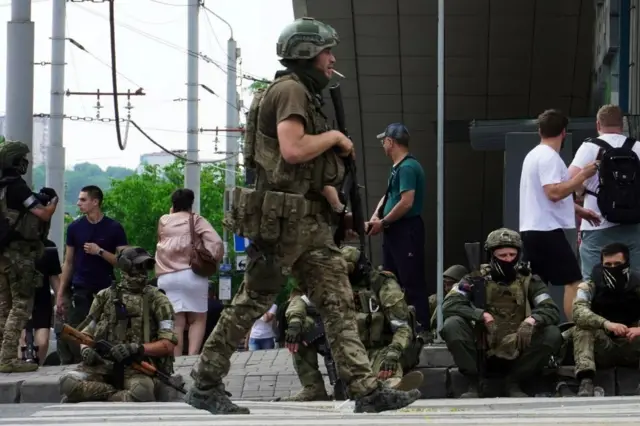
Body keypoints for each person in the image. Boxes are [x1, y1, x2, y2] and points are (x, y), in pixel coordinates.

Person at [186, 17, 421, 415]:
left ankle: (366, 390)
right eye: (327, 51)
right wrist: (336, 138)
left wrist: (338, 209)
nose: (332, 59)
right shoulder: (291, 91)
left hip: (306, 222)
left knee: (338, 301)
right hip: (283, 224)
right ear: (307, 53)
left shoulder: (302, 94)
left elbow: (308, 172)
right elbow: (293, 150)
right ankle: (205, 384)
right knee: (253, 301)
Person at [281, 246, 424, 401]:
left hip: (380, 348)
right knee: (302, 327)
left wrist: (394, 352)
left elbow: (402, 328)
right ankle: (313, 388)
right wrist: (295, 322)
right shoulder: (333, 283)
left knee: (386, 370)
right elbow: (299, 301)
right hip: (348, 347)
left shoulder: (383, 285)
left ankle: (392, 387)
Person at [440, 228, 562, 398]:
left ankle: (514, 381)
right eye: (502, 256)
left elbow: (551, 309)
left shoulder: (529, 280)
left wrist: (533, 320)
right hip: (484, 343)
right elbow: (449, 305)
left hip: (518, 342)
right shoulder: (473, 279)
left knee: (552, 333)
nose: (508, 260)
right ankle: (474, 383)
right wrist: (480, 315)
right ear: (492, 255)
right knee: (452, 324)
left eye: (512, 255)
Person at [59, 246, 178, 402]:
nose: (142, 271)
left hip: (138, 368)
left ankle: (98, 397)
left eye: (146, 266)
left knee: (142, 391)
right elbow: (86, 333)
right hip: (102, 366)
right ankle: (114, 395)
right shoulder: (105, 296)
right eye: (138, 266)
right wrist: (86, 349)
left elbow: (167, 344)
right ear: (125, 266)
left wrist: (137, 348)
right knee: (67, 382)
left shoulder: (158, 300)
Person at [518, 109, 599, 321]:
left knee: (536, 284)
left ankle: (533, 324)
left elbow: (545, 196)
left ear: (539, 130)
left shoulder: (533, 155)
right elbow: (553, 192)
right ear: (564, 132)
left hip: (532, 228)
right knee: (574, 281)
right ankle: (574, 329)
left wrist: (581, 211)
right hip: (547, 230)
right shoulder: (549, 157)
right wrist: (582, 175)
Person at [0, 140, 58, 373]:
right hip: (18, 254)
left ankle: (2, 355)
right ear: (16, 161)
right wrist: (52, 203)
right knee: (22, 305)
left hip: (1, 253)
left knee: (4, 306)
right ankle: (7, 358)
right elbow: (41, 214)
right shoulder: (17, 186)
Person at [365, 123, 428, 332]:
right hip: (394, 230)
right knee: (391, 279)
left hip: (406, 230)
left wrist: (383, 222)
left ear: (391, 142)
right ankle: (399, 327)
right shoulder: (398, 168)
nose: (383, 145)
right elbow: (388, 196)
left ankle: (420, 328)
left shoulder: (408, 167)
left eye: (384, 141)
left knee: (411, 281)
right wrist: (376, 216)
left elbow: (406, 202)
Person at [56, 185, 128, 364]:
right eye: (79, 199)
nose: (78, 203)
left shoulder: (114, 228)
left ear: (95, 202)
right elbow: (68, 262)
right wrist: (60, 293)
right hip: (81, 288)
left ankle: (105, 363)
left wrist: (100, 251)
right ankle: (71, 363)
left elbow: (124, 262)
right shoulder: (75, 228)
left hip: (106, 288)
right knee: (71, 329)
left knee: (107, 330)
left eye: (83, 199)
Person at [569, 105, 640, 281]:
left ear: (598, 124)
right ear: (622, 124)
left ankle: (592, 309)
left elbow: (568, 181)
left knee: (591, 281)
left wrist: (581, 190)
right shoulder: (637, 147)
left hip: (597, 224)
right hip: (633, 224)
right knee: (635, 280)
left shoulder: (590, 147)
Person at [155, 188, 223, 356]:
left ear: (173, 204)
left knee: (176, 321)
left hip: (166, 276)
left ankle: (176, 359)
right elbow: (217, 243)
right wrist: (213, 260)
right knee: (197, 318)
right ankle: (192, 357)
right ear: (191, 203)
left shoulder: (164, 220)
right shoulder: (195, 219)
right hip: (191, 274)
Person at [571, 242, 640, 397]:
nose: (612, 268)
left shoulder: (637, 284)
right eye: (607, 264)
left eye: (617, 264)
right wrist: (607, 324)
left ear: (627, 264)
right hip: (603, 345)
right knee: (582, 327)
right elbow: (578, 312)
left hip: (631, 343)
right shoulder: (589, 286)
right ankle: (586, 381)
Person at [19, 239, 61, 365]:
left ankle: (37, 366)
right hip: (19, 298)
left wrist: (60, 299)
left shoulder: (49, 247)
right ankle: (21, 368)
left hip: (42, 298)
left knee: (42, 342)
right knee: (22, 341)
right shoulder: (14, 243)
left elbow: (54, 277)